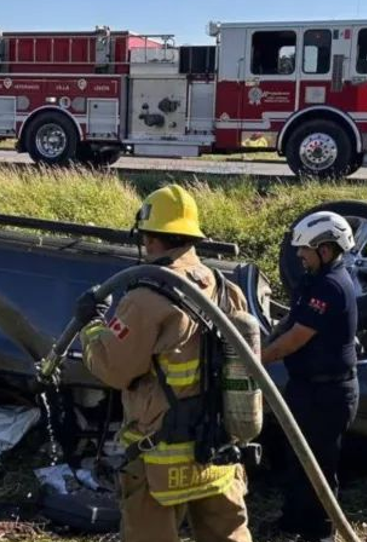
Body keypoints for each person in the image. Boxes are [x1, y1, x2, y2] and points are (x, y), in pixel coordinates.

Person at [73, 184, 253, 542]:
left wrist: (92, 327)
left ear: (151, 239)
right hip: (217, 451)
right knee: (229, 534)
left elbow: (114, 369)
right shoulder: (224, 288)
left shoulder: (145, 298)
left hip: (160, 457)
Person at [260, 211, 360, 540]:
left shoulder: (331, 286)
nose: (299, 255)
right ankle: (293, 522)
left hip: (329, 394)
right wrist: (267, 337)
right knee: (296, 458)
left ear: (326, 250)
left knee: (318, 466)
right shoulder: (314, 278)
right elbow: (291, 320)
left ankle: (320, 533)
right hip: (306, 388)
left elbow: (297, 338)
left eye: (304, 249)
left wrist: (256, 359)